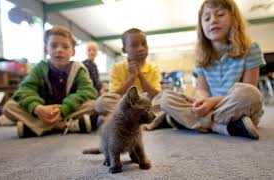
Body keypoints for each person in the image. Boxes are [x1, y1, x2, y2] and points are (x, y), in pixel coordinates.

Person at [160, 0, 266, 139]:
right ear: (202, 26)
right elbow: (203, 89)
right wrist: (203, 100)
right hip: (212, 108)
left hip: (238, 109)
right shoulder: (201, 55)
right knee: (166, 99)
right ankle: (222, 127)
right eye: (207, 18)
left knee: (250, 94)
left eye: (220, 14)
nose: (213, 20)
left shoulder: (251, 49)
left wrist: (212, 102)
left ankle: (194, 122)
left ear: (234, 19)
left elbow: (249, 88)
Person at [1, 26, 98, 138]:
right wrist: (37, 108)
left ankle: (37, 127)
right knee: (9, 106)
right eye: (53, 45)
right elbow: (25, 90)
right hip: (43, 111)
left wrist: (63, 109)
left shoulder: (78, 69)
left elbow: (88, 91)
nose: (59, 50)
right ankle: (63, 126)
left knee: (94, 105)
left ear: (73, 52)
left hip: (67, 110)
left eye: (65, 46)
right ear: (46, 49)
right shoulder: (39, 68)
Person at [95, 28, 167, 129]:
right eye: (134, 45)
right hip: (126, 106)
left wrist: (140, 75)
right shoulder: (117, 67)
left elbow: (156, 94)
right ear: (124, 49)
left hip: (147, 106)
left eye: (144, 44)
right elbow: (115, 94)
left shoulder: (153, 67)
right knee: (101, 102)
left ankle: (121, 122)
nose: (141, 48)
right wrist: (132, 77)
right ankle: (145, 123)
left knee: (164, 100)